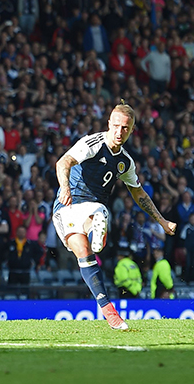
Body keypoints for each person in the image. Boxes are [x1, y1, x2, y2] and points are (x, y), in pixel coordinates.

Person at [52, 101, 176, 330]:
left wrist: (162, 221)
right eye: (116, 126)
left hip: (91, 208)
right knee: (84, 253)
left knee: (97, 215)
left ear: (132, 130)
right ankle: (97, 234)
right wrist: (65, 187)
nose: (119, 132)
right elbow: (63, 162)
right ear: (109, 123)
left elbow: (139, 193)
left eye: (125, 128)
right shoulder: (92, 144)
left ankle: (110, 313)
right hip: (67, 206)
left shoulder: (125, 162)